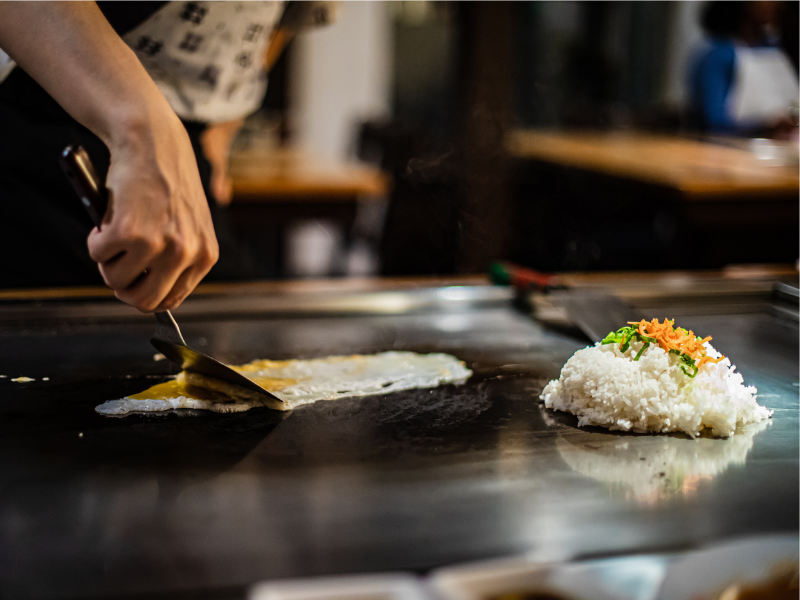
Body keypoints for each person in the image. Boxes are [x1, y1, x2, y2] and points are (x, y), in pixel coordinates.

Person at [0, 1, 337, 311]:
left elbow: (289, 14)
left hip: (179, 143)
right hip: (33, 117)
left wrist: (220, 130)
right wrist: (141, 126)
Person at [689, 1, 799, 137]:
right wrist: (765, 126)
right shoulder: (720, 54)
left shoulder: (775, 51)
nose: (776, 3)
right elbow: (714, 121)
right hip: (732, 150)